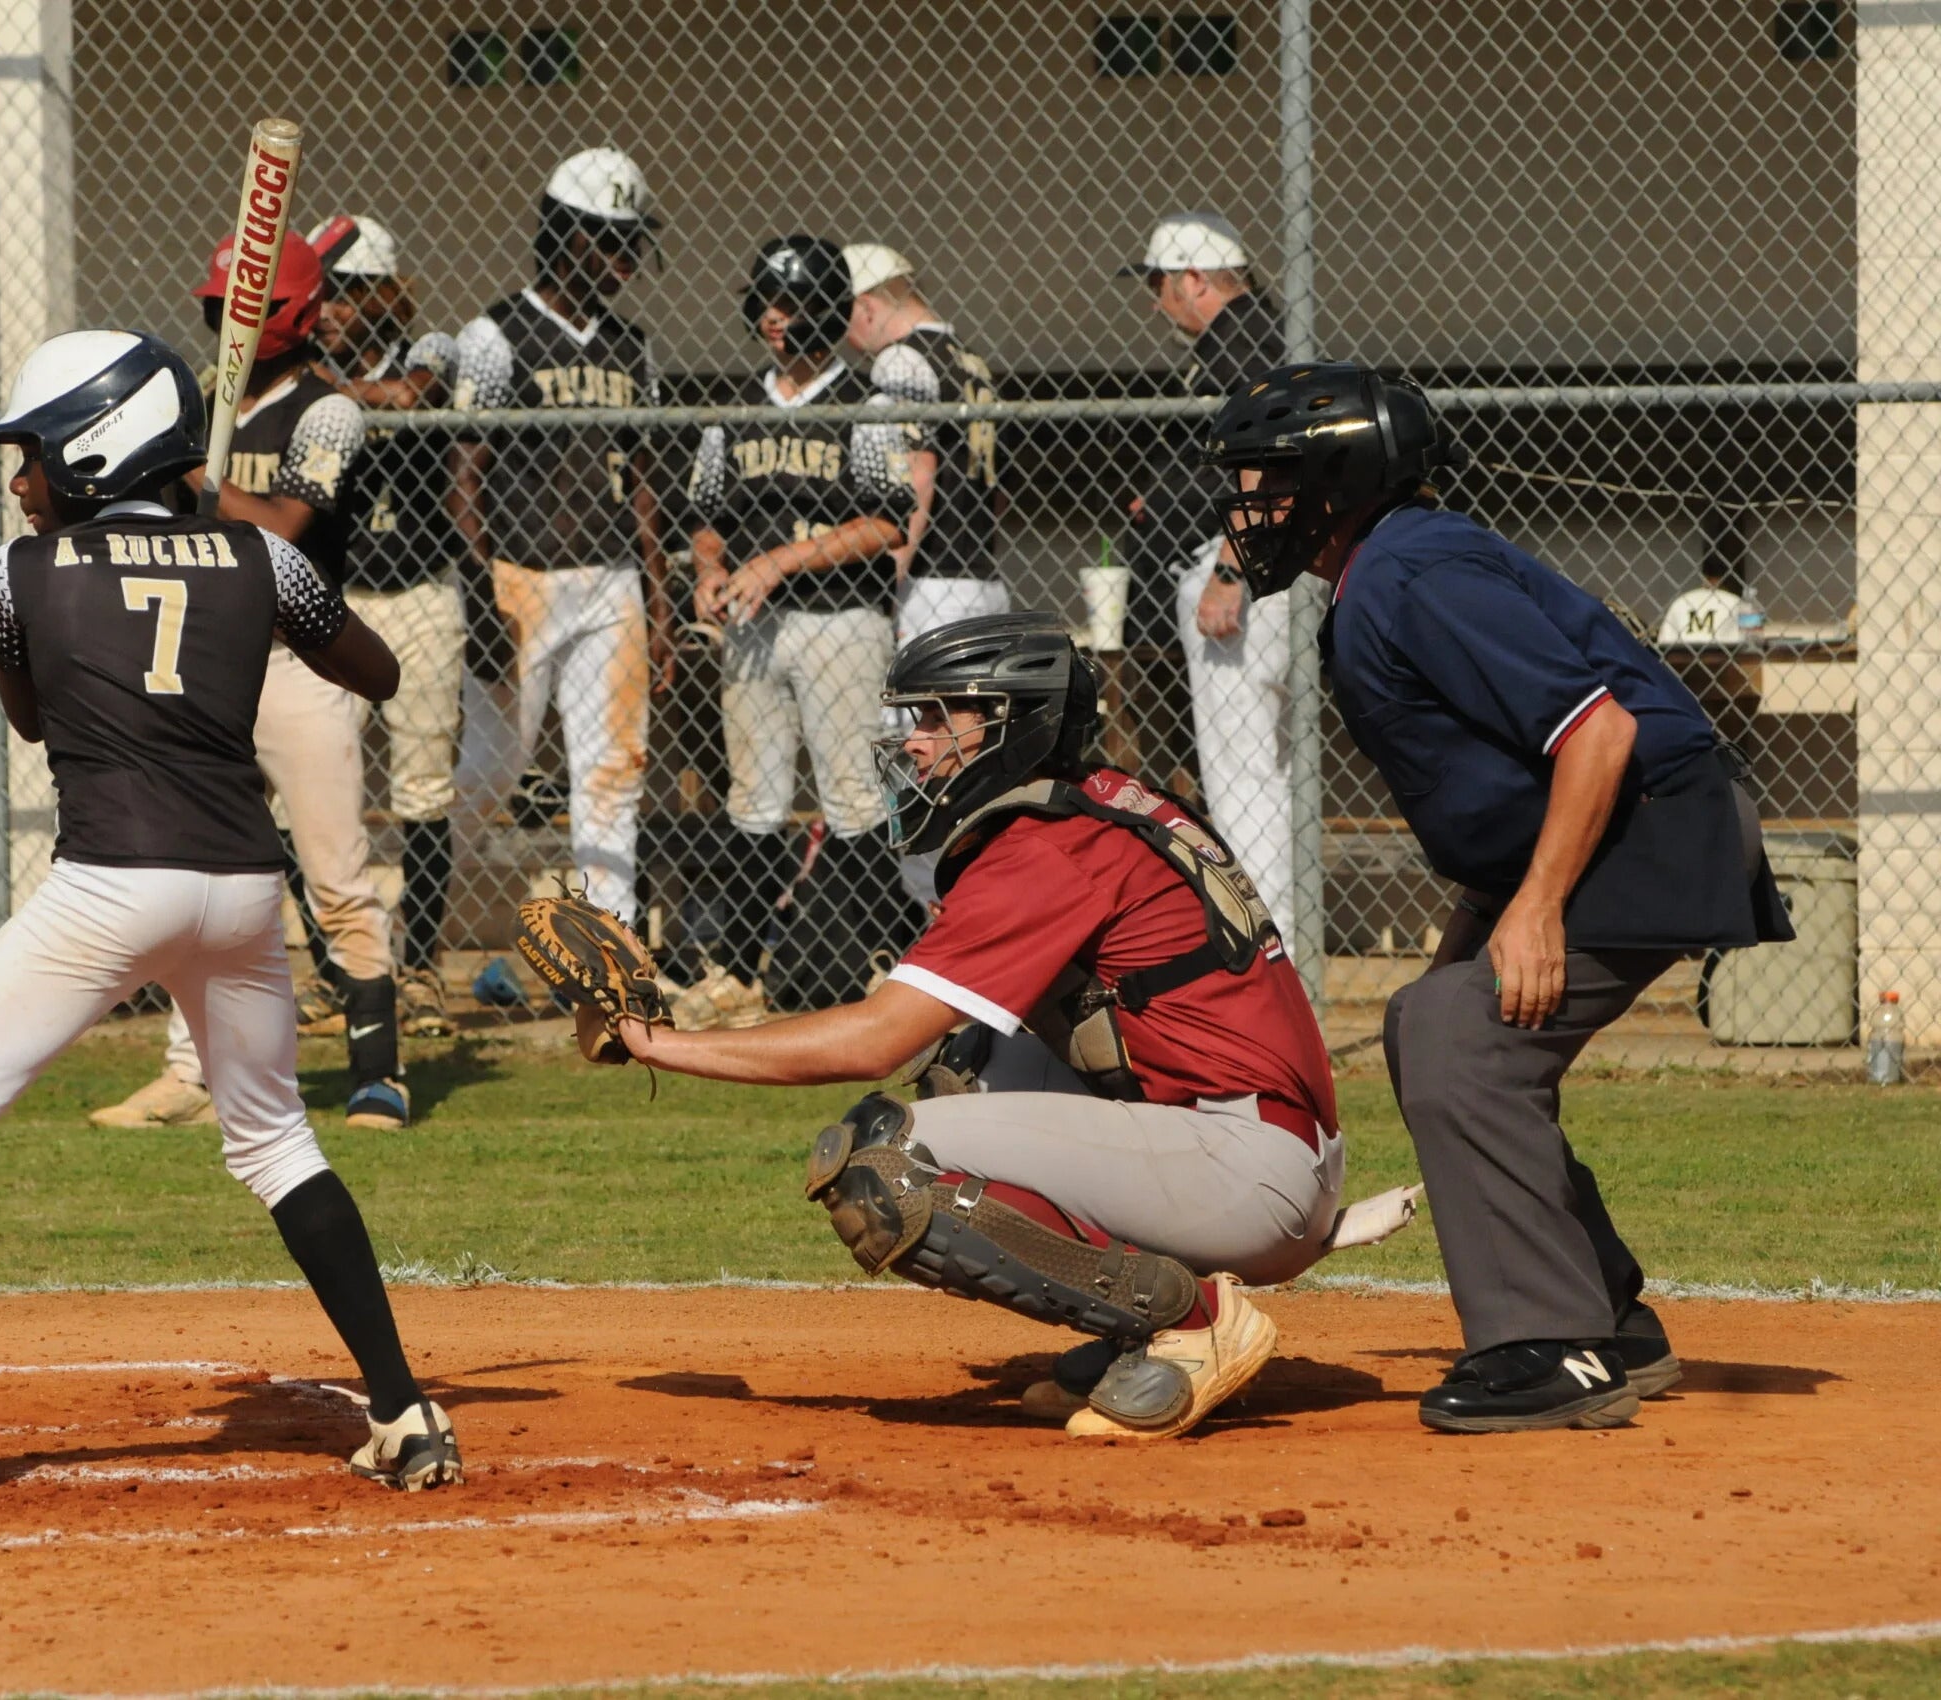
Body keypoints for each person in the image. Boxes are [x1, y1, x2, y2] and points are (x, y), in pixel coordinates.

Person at [0, 331, 459, 1521]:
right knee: (275, 1140)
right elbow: (370, 670)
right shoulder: (262, 560)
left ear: (93, 447)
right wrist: (246, 553)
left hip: (113, 878)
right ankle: (402, 1409)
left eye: (32, 453)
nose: (19, 478)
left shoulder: (20, 570)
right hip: (239, 890)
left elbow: (28, 714)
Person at [591, 613, 1404, 1439]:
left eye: (944, 717)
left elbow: (877, 1038)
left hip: (1245, 1167)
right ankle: (1140, 1327)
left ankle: (1193, 1320)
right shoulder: (1096, 805)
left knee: (884, 1163)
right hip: (1255, 1142)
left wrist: (657, 1040)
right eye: (918, 717)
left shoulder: (1050, 847)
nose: (916, 742)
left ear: (1018, 725)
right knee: (966, 1059)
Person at [1205, 362, 1793, 1433]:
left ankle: (1553, 1343)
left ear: (1340, 478)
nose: (1249, 506)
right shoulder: (1392, 570)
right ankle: (1606, 1318)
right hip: (1636, 825)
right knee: (1437, 1018)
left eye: (1270, 479)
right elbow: (1507, 795)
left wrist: (1532, 911)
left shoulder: (1409, 574)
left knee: (1458, 1038)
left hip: (1653, 823)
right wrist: (1482, 927)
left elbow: (1595, 731)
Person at [91, 228, 412, 1132]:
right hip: (208, 663)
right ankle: (190, 1076)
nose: (228, 322)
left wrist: (193, 469)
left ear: (300, 315)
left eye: (251, 308)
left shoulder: (329, 411)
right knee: (200, 873)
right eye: (220, 306)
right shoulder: (195, 403)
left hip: (298, 664)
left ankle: (377, 1073)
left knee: (335, 874)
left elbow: (283, 526)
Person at [686, 236, 916, 1017]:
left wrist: (781, 560)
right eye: (767, 305)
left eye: (790, 307)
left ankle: (895, 965)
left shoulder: (868, 402)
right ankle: (739, 975)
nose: (774, 321)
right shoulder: (735, 408)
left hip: (842, 622)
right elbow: (708, 522)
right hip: (754, 624)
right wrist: (710, 571)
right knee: (753, 799)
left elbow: (888, 522)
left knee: (853, 799)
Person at [448, 149, 675, 932]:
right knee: (491, 772)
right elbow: (463, 477)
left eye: (628, 244)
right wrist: (481, 598)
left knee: (614, 771)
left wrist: (660, 599)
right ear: (566, 235)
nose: (623, 261)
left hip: (613, 577)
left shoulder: (631, 343)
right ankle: (417, 935)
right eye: (608, 242)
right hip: (520, 577)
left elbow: (643, 481)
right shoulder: (494, 332)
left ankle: (611, 954)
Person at [305, 214, 464, 1040]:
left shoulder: (427, 344)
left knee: (422, 792)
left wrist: (332, 392)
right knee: (311, 786)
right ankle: (338, 972)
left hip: (422, 593)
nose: (329, 309)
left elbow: (414, 393)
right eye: (322, 295)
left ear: (381, 293)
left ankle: (425, 968)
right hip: (334, 596)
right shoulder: (305, 361)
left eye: (346, 293)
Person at [1117, 212, 1294, 932]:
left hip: (1242, 573)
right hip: (1257, 565)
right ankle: (1279, 935)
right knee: (1259, 767)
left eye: (1159, 283)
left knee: (1243, 773)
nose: (1156, 299)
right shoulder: (1253, 331)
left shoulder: (1239, 337)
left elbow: (1268, 451)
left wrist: (1232, 568)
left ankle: (1268, 942)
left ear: (1193, 279)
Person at [840, 243, 1007, 645]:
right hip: (980, 575)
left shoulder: (901, 360)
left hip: (930, 583)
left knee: (914, 708)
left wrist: (893, 578)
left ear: (866, 307)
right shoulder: (968, 358)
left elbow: (918, 473)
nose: (842, 336)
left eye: (841, 317)